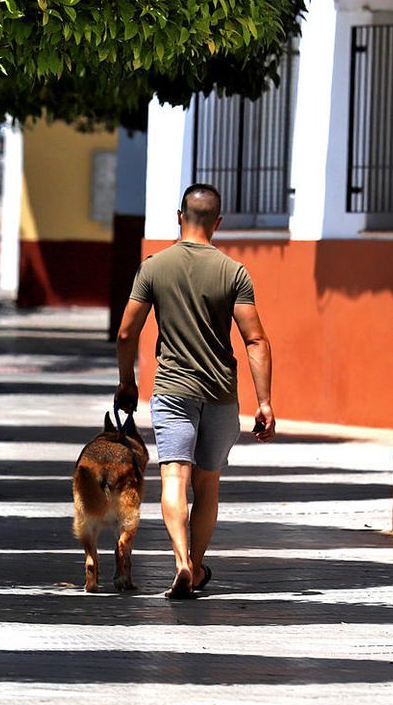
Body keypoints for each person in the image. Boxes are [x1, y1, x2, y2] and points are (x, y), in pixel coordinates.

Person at [113, 182, 276, 599]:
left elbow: (127, 332)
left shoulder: (154, 267)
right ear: (218, 223)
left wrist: (127, 381)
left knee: (174, 474)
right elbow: (255, 340)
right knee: (207, 484)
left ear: (179, 217)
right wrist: (264, 402)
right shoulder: (234, 272)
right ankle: (198, 567)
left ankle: (182, 561)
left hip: (172, 389)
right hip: (221, 393)